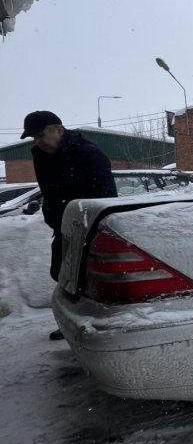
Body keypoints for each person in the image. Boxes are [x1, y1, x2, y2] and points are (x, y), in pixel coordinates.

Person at [22, 111, 118, 339]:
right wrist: (52, 215)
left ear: (59, 130)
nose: (38, 142)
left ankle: (92, 327)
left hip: (89, 228)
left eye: (41, 135)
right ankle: (72, 323)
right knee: (62, 276)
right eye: (34, 138)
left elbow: (106, 197)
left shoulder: (88, 154)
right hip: (63, 228)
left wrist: (87, 225)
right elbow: (50, 193)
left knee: (88, 283)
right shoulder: (42, 155)